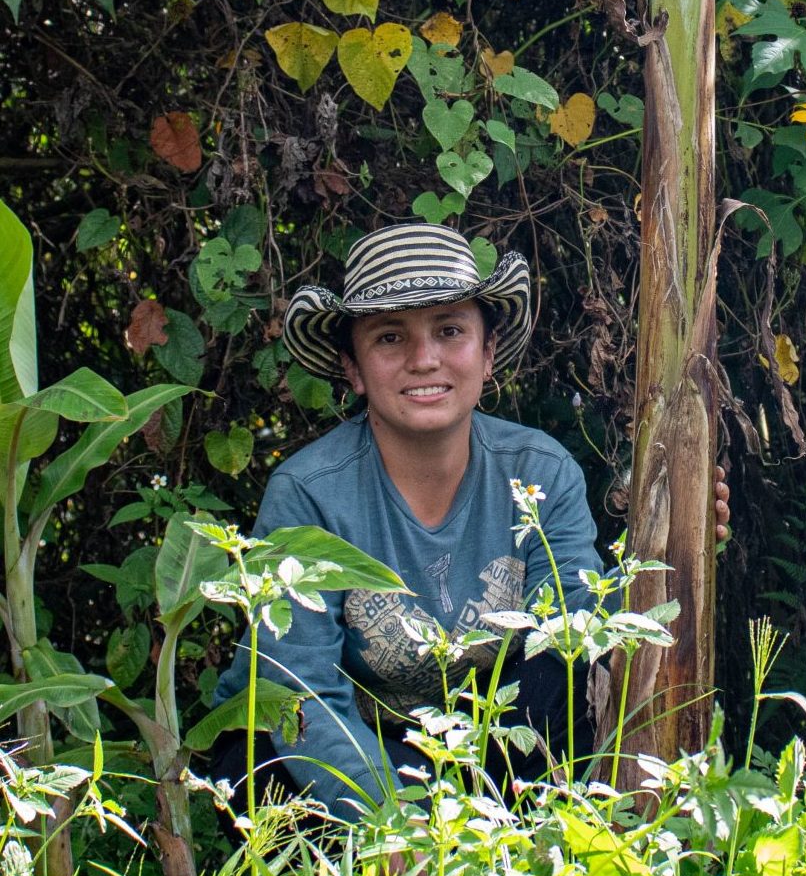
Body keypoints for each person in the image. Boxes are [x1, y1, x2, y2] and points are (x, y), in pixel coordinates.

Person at [207, 222, 727, 816]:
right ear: (353, 369)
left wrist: (666, 546)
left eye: (450, 330)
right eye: (389, 338)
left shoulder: (541, 472)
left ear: (487, 354)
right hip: (344, 752)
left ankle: (521, 850)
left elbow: (573, 639)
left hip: (489, 750)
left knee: (564, 666)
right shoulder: (307, 493)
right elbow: (301, 690)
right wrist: (388, 818)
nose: (424, 360)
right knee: (256, 758)